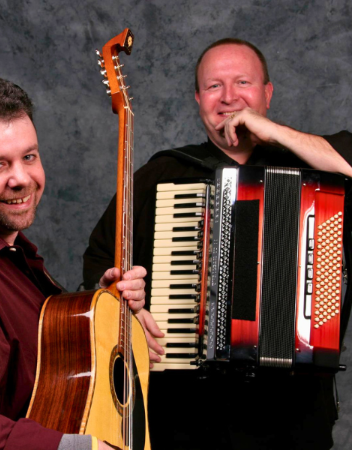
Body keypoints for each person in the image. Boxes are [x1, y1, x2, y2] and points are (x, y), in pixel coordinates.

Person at [82, 38, 352, 449]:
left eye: (243, 82)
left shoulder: (317, 163)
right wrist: (124, 303)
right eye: (214, 86)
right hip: (187, 419)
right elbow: (100, 263)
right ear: (198, 99)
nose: (228, 97)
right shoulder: (162, 174)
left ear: (268, 93)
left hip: (294, 420)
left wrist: (273, 133)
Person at [0, 77, 149, 450]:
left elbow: (33, 365)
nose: (21, 179)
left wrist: (97, 314)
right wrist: (85, 449)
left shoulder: (1, 246)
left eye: (29, 157)